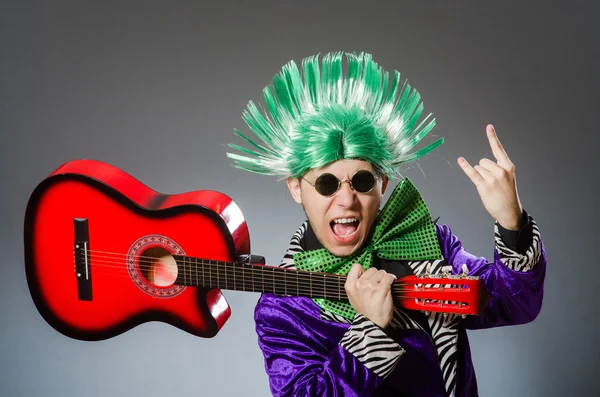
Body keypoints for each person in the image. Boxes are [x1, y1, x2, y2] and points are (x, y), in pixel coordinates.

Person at [226, 51, 546, 397]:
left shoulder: (428, 246)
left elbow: (516, 304)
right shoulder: (283, 306)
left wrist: (511, 221)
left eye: (361, 182)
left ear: (383, 184)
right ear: (295, 188)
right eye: (326, 184)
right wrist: (369, 330)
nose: (346, 200)